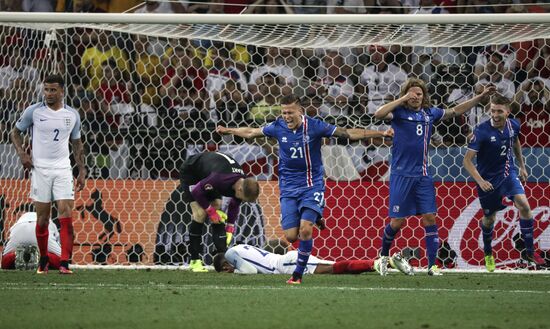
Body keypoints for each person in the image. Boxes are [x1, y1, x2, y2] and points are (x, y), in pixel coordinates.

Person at [217, 94, 393, 284]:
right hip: (288, 189)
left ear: (300, 111)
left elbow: (347, 133)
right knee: (291, 236)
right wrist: (229, 130)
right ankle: (314, 215)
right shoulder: (278, 126)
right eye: (283, 112)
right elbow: (251, 132)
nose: (286, 116)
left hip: (311, 185)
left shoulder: (315, 126)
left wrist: (380, 134)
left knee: (305, 230)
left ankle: (297, 275)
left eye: (290, 112)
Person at [373, 78, 495, 276]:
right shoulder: (399, 113)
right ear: (406, 95)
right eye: (412, 94)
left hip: (423, 175)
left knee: (430, 217)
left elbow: (456, 110)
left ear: (424, 96)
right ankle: (383, 257)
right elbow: (378, 114)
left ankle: (432, 266)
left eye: (419, 94)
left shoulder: (430, 114)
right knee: (397, 222)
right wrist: (403, 97)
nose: (415, 97)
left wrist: (480, 97)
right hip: (401, 175)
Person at [10, 74, 86, 274]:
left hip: (63, 169)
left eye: (53, 90)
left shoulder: (72, 115)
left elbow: (77, 143)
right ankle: (43, 260)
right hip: (40, 170)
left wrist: (82, 170)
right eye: (46, 90)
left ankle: (64, 263)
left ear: (62, 91)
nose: (49, 94)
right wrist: (22, 154)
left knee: (66, 213)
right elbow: (14, 132)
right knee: (43, 219)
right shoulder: (33, 112)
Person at [463, 93, 543, 272]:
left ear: (508, 112)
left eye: (499, 111)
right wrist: (481, 181)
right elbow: (467, 161)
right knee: (489, 219)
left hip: (508, 173)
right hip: (488, 181)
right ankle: (488, 253)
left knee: (524, 206)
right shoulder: (481, 131)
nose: (495, 115)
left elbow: (515, 142)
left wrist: (522, 166)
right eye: (492, 111)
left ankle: (529, 252)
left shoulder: (514, 125)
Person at [179, 151, 260, 272]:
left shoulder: (242, 183)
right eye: (243, 198)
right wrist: (211, 212)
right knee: (200, 213)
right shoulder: (220, 179)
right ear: (239, 189)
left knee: (217, 207)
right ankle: (194, 261)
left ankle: (222, 259)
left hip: (209, 172)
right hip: (192, 171)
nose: (241, 200)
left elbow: (234, 204)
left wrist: (230, 227)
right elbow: (197, 191)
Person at [213, 243, 414, 276]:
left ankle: (380, 263)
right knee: (336, 270)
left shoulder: (231, 254)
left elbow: (251, 272)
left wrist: (237, 271)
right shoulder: (240, 247)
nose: (229, 271)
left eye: (227, 270)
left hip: (286, 264)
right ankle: (385, 263)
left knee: (335, 268)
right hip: (286, 261)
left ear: (224, 265)